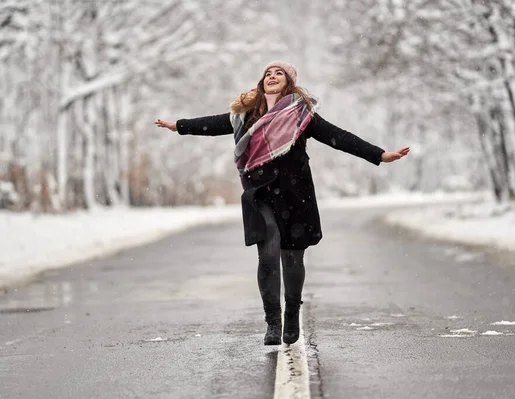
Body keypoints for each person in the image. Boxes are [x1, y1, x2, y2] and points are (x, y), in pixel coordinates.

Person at [155, 61, 409, 346]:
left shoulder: (302, 115)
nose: (272, 77)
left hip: (295, 193)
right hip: (259, 194)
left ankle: (292, 313)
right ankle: (273, 322)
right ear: (261, 81)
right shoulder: (244, 115)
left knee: (292, 258)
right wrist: (178, 126)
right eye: (267, 73)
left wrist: (379, 155)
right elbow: (211, 124)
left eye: (279, 74)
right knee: (268, 252)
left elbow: (339, 138)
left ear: (288, 82)